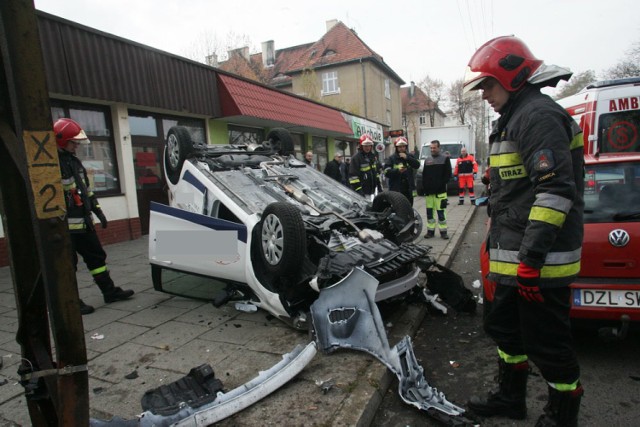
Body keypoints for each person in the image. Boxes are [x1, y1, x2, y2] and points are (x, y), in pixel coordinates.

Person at [462, 36, 584, 426]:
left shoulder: (538, 117)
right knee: (504, 330)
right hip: (515, 259)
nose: (484, 95)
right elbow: (519, 186)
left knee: (548, 344)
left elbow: (554, 192)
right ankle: (510, 398)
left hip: (539, 264)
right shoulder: (515, 118)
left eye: (488, 86)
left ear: (512, 78)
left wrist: (531, 261)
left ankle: (563, 415)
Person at [54, 118, 135, 315]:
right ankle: (71, 302)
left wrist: (97, 209)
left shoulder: (73, 162)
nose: (77, 146)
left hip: (83, 222)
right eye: (74, 142)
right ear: (62, 140)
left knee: (97, 257)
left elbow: (85, 189)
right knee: (67, 265)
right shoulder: (52, 165)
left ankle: (109, 292)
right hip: (65, 227)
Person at [421, 140, 452, 239]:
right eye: (431, 148)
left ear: (439, 148)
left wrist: (441, 184)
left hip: (440, 192)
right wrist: (424, 188)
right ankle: (430, 232)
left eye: (434, 148)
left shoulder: (445, 159)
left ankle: (443, 232)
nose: (432, 149)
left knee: (441, 213)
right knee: (430, 213)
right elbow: (424, 176)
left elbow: (448, 175)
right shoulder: (427, 160)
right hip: (429, 193)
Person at [383, 136, 420, 205]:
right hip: (397, 189)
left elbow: (417, 165)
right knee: (398, 208)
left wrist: (407, 158)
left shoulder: (409, 156)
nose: (402, 148)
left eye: (403, 146)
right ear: (396, 147)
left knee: (409, 208)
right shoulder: (392, 158)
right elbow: (386, 172)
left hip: (408, 189)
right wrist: (397, 171)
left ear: (406, 147)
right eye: (399, 147)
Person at [349, 134, 382, 200]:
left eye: (369, 145)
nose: (367, 148)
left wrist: (379, 187)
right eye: (365, 146)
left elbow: (376, 173)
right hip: (362, 192)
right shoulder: (356, 158)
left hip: (372, 191)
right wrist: (359, 190)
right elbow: (353, 177)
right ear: (361, 146)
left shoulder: (373, 157)